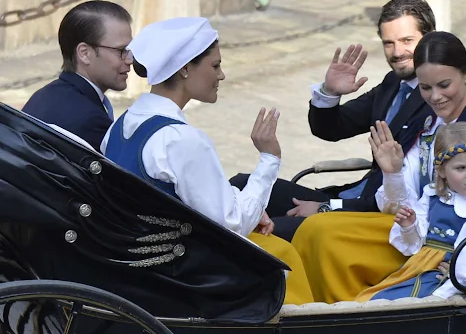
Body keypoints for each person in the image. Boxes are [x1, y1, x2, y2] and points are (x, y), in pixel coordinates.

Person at [291, 31, 466, 304]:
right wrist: (392, 172)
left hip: (450, 247)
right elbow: (399, 204)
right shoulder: (427, 123)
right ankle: (328, 314)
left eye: (444, 85)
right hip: (411, 230)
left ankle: (351, 316)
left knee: (324, 237)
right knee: (316, 230)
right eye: (425, 88)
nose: (435, 97)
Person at [100, 17, 313, 305]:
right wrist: (269, 159)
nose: (222, 75)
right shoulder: (180, 140)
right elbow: (233, 223)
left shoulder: (120, 127)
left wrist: (240, 202)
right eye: (215, 65)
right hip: (180, 277)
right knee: (282, 255)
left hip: (131, 269)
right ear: (186, 68)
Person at [230, 0, 435, 241]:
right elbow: (331, 129)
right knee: (239, 186)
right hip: (350, 199)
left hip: (378, 217)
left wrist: (327, 209)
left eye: (407, 41)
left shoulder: (439, 101)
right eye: (388, 43)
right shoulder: (394, 83)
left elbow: (407, 195)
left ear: (431, 37)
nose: (397, 52)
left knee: (262, 232)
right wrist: (329, 93)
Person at [355, 121, 466, 301]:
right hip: (417, 267)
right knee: (369, 298)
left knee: (383, 304)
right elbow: (413, 246)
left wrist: (444, 292)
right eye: (461, 168)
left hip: (443, 279)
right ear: (441, 170)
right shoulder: (433, 195)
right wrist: (409, 226)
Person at [22, 0, 133, 152]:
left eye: (130, 49)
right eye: (121, 50)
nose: (129, 60)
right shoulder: (91, 121)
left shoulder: (43, 96)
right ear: (85, 53)